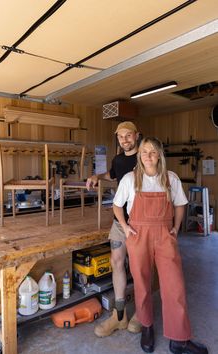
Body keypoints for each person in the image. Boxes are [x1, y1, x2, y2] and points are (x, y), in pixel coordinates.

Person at [113, 136, 208, 354]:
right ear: (140, 155)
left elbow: (180, 205)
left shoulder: (170, 178)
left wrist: (175, 228)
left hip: (165, 235)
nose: (148, 156)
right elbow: (117, 206)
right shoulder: (130, 179)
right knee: (142, 285)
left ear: (159, 155)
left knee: (174, 286)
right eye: (144, 151)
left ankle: (179, 340)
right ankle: (147, 327)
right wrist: (126, 229)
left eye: (153, 152)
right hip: (139, 235)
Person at [86, 121, 141, 337]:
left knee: (139, 267)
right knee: (116, 262)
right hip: (121, 220)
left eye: (128, 136)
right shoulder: (118, 159)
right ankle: (120, 317)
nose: (124, 140)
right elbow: (112, 174)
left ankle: (141, 314)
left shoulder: (145, 155)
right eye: (121, 137)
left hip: (142, 222)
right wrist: (96, 176)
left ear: (136, 136)